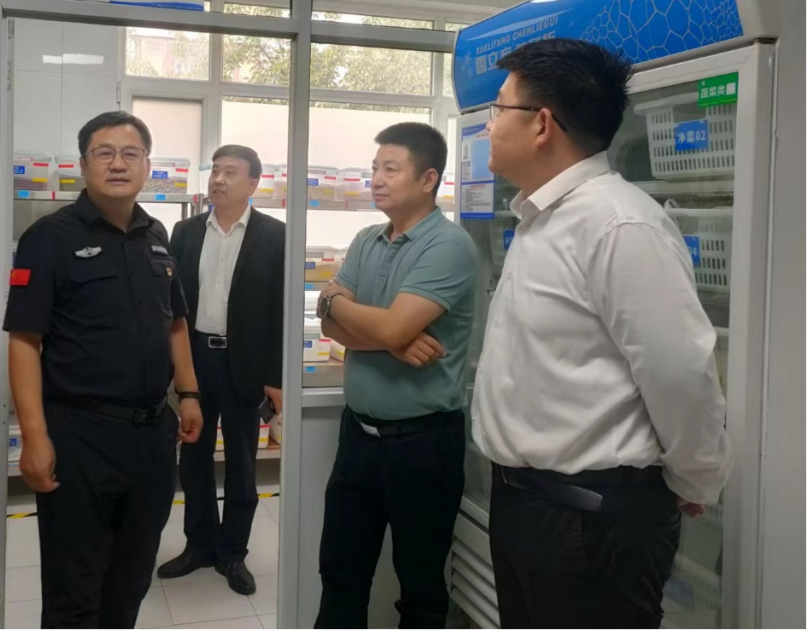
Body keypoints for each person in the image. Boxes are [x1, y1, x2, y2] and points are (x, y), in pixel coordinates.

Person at [471, 38, 733, 630]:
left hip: (588, 520)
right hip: (528, 505)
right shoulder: (541, 218)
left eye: (499, 108)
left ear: (542, 124)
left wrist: (696, 477)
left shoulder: (620, 224)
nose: (489, 125)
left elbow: (679, 374)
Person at [5, 110, 205, 629]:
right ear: (83, 165)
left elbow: (175, 321)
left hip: (151, 437)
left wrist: (188, 393)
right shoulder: (49, 237)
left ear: (147, 165)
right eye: (105, 153)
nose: (119, 164)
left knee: (131, 580)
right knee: (75, 593)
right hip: (80, 437)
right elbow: (24, 341)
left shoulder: (155, 234)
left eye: (131, 153)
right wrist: (34, 437)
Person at [314, 122, 477, 630]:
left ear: (428, 179)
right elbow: (329, 326)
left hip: (423, 445)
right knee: (340, 575)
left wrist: (339, 302)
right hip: (357, 438)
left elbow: (361, 318)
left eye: (391, 169)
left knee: (420, 587)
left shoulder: (448, 245)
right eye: (374, 169)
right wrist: (390, 337)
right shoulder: (367, 239)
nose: (377, 179)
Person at [158, 145, 285, 596]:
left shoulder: (276, 235)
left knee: (242, 463)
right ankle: (199, 545)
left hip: (244, 363)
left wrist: (276, 376)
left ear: (253, 183)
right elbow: (170, 304)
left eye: (230, 172)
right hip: (195, 359)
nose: (218, 179)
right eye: (215, 170)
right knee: (193, 459)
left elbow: (281, 310)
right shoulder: (186, 231)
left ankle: (233, 552)